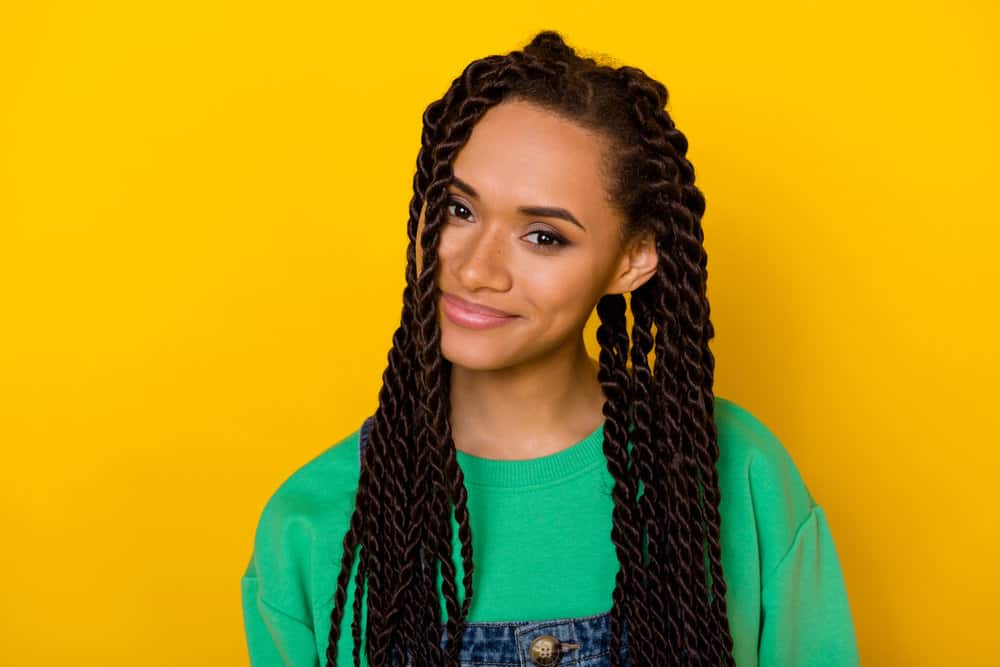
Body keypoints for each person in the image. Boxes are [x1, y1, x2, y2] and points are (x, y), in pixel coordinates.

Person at [240, 30, 860, 667]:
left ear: (633, 259)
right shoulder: (312, 523)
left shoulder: (736, 476)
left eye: (542, 236)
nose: (478, 270)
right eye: (458, 209)